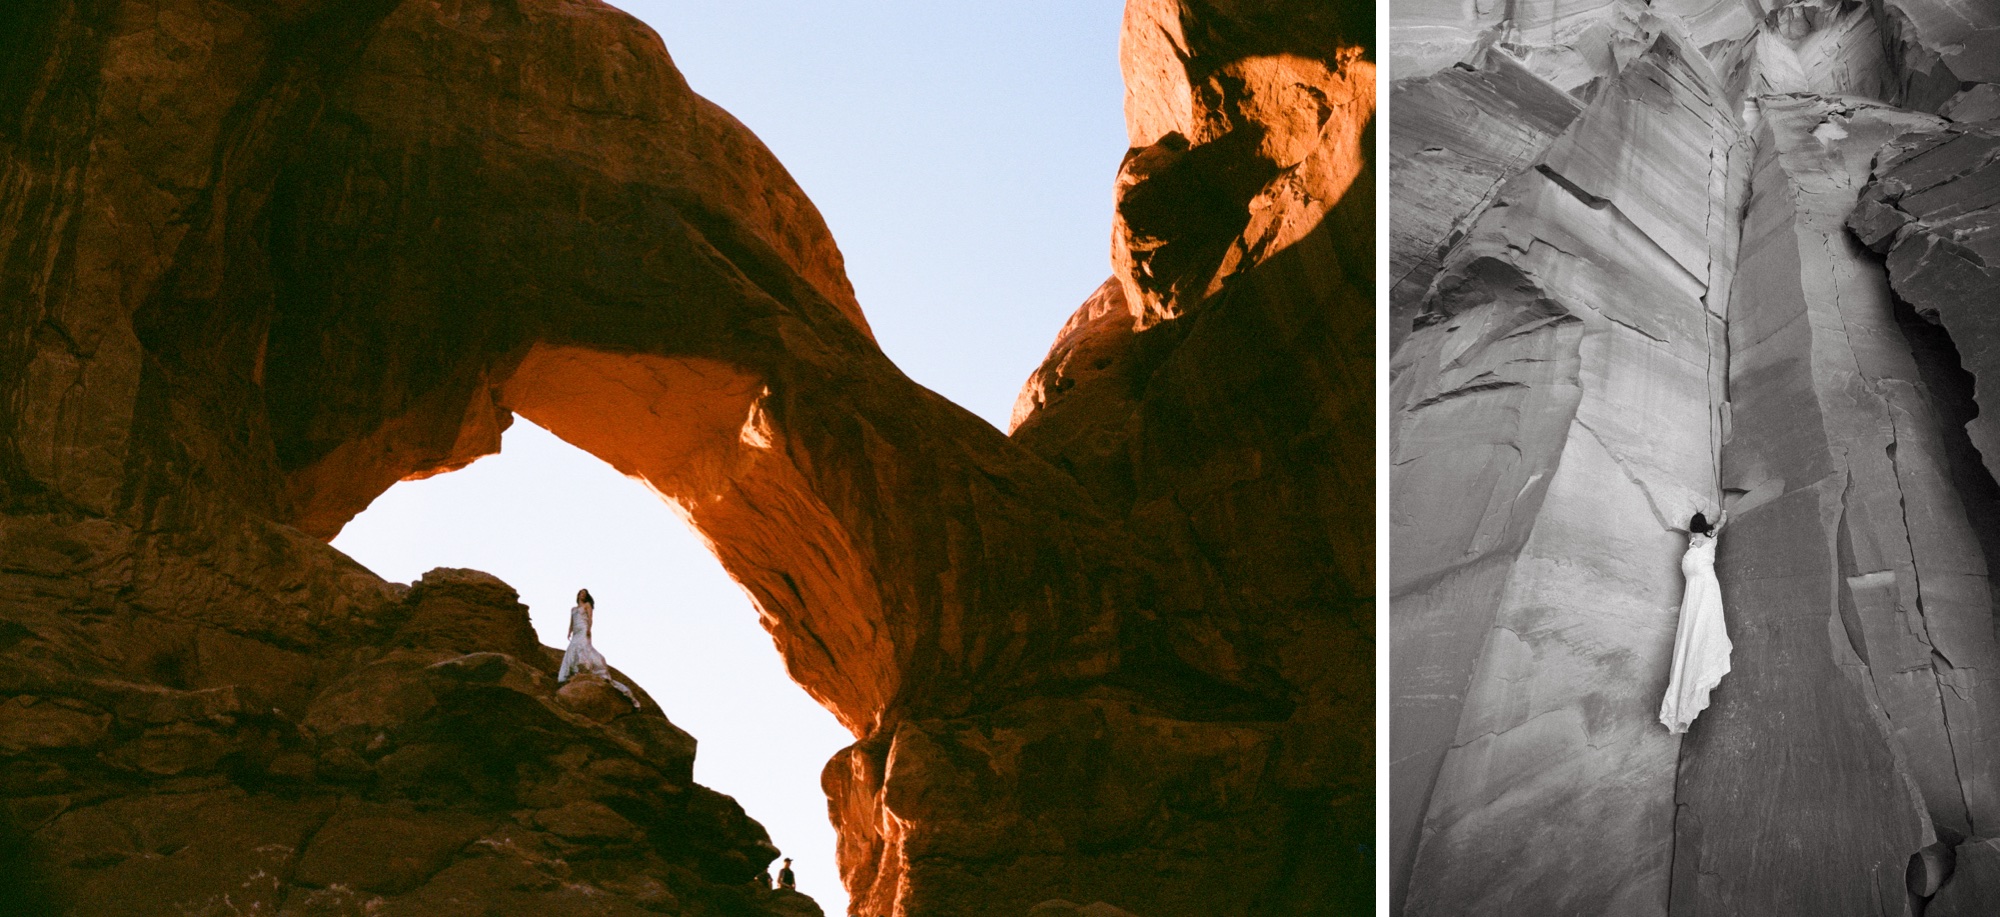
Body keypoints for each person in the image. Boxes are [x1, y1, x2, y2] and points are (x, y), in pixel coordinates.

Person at [1659, 510, 1732, 733]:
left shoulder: (1692, 542)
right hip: (1706, 589)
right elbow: (1721, 523)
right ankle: (1698, 679)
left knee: (1691, 633)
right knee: (1706, 628)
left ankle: (1683, 695)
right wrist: (1723, 514)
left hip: (1692, 595)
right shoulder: (1709, 536)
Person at [558, 588, 637, 703]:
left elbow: (590, 618)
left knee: (583, 647)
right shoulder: (573, 609)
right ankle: (573, 669)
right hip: (576, 630)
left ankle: (584, 666)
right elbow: (572, 621)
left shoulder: (587, 605)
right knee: (573, 648)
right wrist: (569, 630)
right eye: (581, 593)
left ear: (586, 596)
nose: (582, 595)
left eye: (584, 594)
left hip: (584, 628)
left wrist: (589, 629)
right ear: (578, 595)